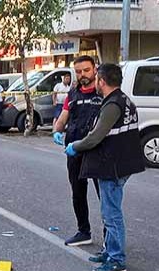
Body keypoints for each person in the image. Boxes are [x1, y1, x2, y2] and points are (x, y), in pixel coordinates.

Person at [65, 63, 144, 271]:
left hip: (113, 166)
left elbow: (95, 137)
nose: (96, 83)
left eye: (97, 78)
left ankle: (116, 259)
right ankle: (109, 251)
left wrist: (75, 146)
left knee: (111, 214)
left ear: (102, 81)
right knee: (108, 210)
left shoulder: (113, 104)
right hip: (119, 163)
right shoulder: (122, 100)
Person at [53, 55, 104, 247]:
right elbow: (63, 118)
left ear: (95, 70)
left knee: (104, 196)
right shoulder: (73, 94)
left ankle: (110, 236)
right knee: (78, 192)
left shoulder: (103, 93)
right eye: (78, 71)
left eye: (86, 70)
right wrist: (56, 131)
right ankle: (84, 231)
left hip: (98, 152)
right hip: (74, 151)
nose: (82, 75)